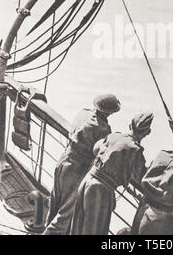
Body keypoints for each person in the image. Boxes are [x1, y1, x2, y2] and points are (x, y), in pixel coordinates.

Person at [43, 94, 121, 235]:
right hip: (77, 170)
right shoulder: (103, 129)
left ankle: (47, 228)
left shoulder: (83, 113)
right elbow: (101, 152)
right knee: (66, 211)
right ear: (109, 112)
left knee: (55, 202)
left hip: (64, 159)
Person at [70, 113, 154, 235]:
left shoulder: (114, 136)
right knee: (95, 230)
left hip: (88, 179)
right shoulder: (136, 150)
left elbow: (95, 150)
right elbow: (142, 177)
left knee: (78, 225)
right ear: (147, 132)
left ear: (130, 124)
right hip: (101, 191)